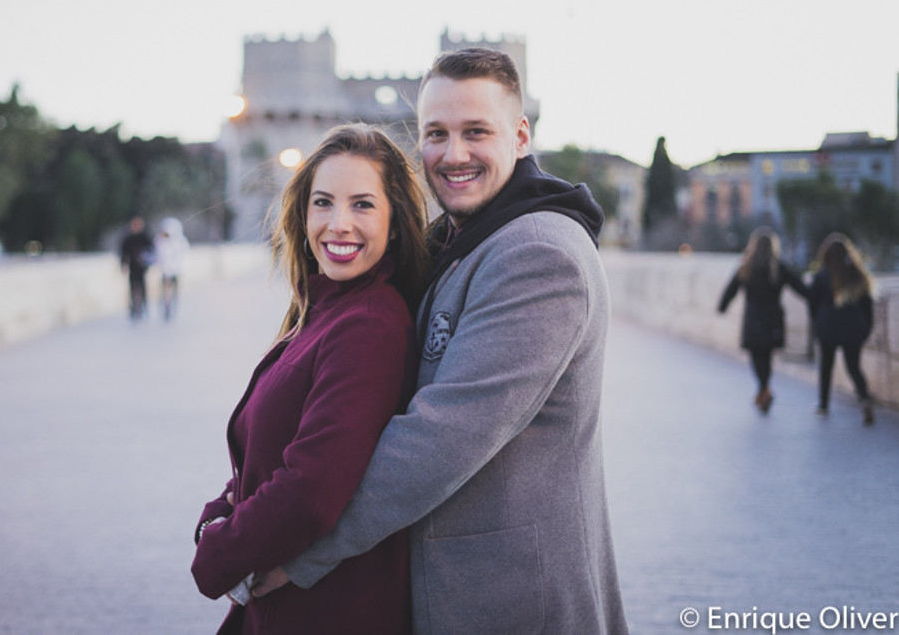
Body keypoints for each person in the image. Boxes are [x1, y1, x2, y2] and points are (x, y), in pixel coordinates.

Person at [254, 48, 629, 633]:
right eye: (436, 134)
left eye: (476, 131)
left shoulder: (539, 254)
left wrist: (301, 551)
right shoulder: (467, 240)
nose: (454, 155)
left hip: (511, 601)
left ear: (521, 134)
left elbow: (436, 441)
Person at [190, 124, 430, 634]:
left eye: (362, 205)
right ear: (302, 215)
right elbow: (274, 450)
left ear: (395, 220)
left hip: (325, 611)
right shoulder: (328, 311)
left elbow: (313, 486)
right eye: (323, 202)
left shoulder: (368, 324)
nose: (338, 224)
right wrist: (220, 512)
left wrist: (219, 554)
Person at [717, 226, 809, 413]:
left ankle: (763, 389)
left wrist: (722, 307)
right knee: (767, 356)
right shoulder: (778, 267)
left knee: (756, 356)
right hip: (773, 319)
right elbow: (801, 288)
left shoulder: (746, 267)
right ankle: (764, 389)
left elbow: (731, 290)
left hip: (753, 319)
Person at [808, 233, 876, 425]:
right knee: (854, 367)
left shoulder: (822, 275)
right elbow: (867, 306)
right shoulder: (858, 274)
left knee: (826, 366)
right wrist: (866, 330)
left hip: (827, 327)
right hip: (853, 329)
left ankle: (823, 405)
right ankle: (864, 400)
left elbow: (812, 302)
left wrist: (817, 323)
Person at [153, 216, 189, 321]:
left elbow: (183, 255)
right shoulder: (159, 241)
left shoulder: (179, 241)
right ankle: (166, 305)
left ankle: (171, 305)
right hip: (165, 270)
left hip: (175, 270)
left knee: (173, 289)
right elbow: (157, 254)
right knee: (165, 289)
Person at [119, 216, 154, 320]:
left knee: (142, 286)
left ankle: (143, 305)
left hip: (142, 266)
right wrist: (123, 265)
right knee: (132, 287)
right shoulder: (128, 238)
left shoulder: (145, 237)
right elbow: (124, 253)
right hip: (132, 266)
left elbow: (151, 251)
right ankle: (133, 308)